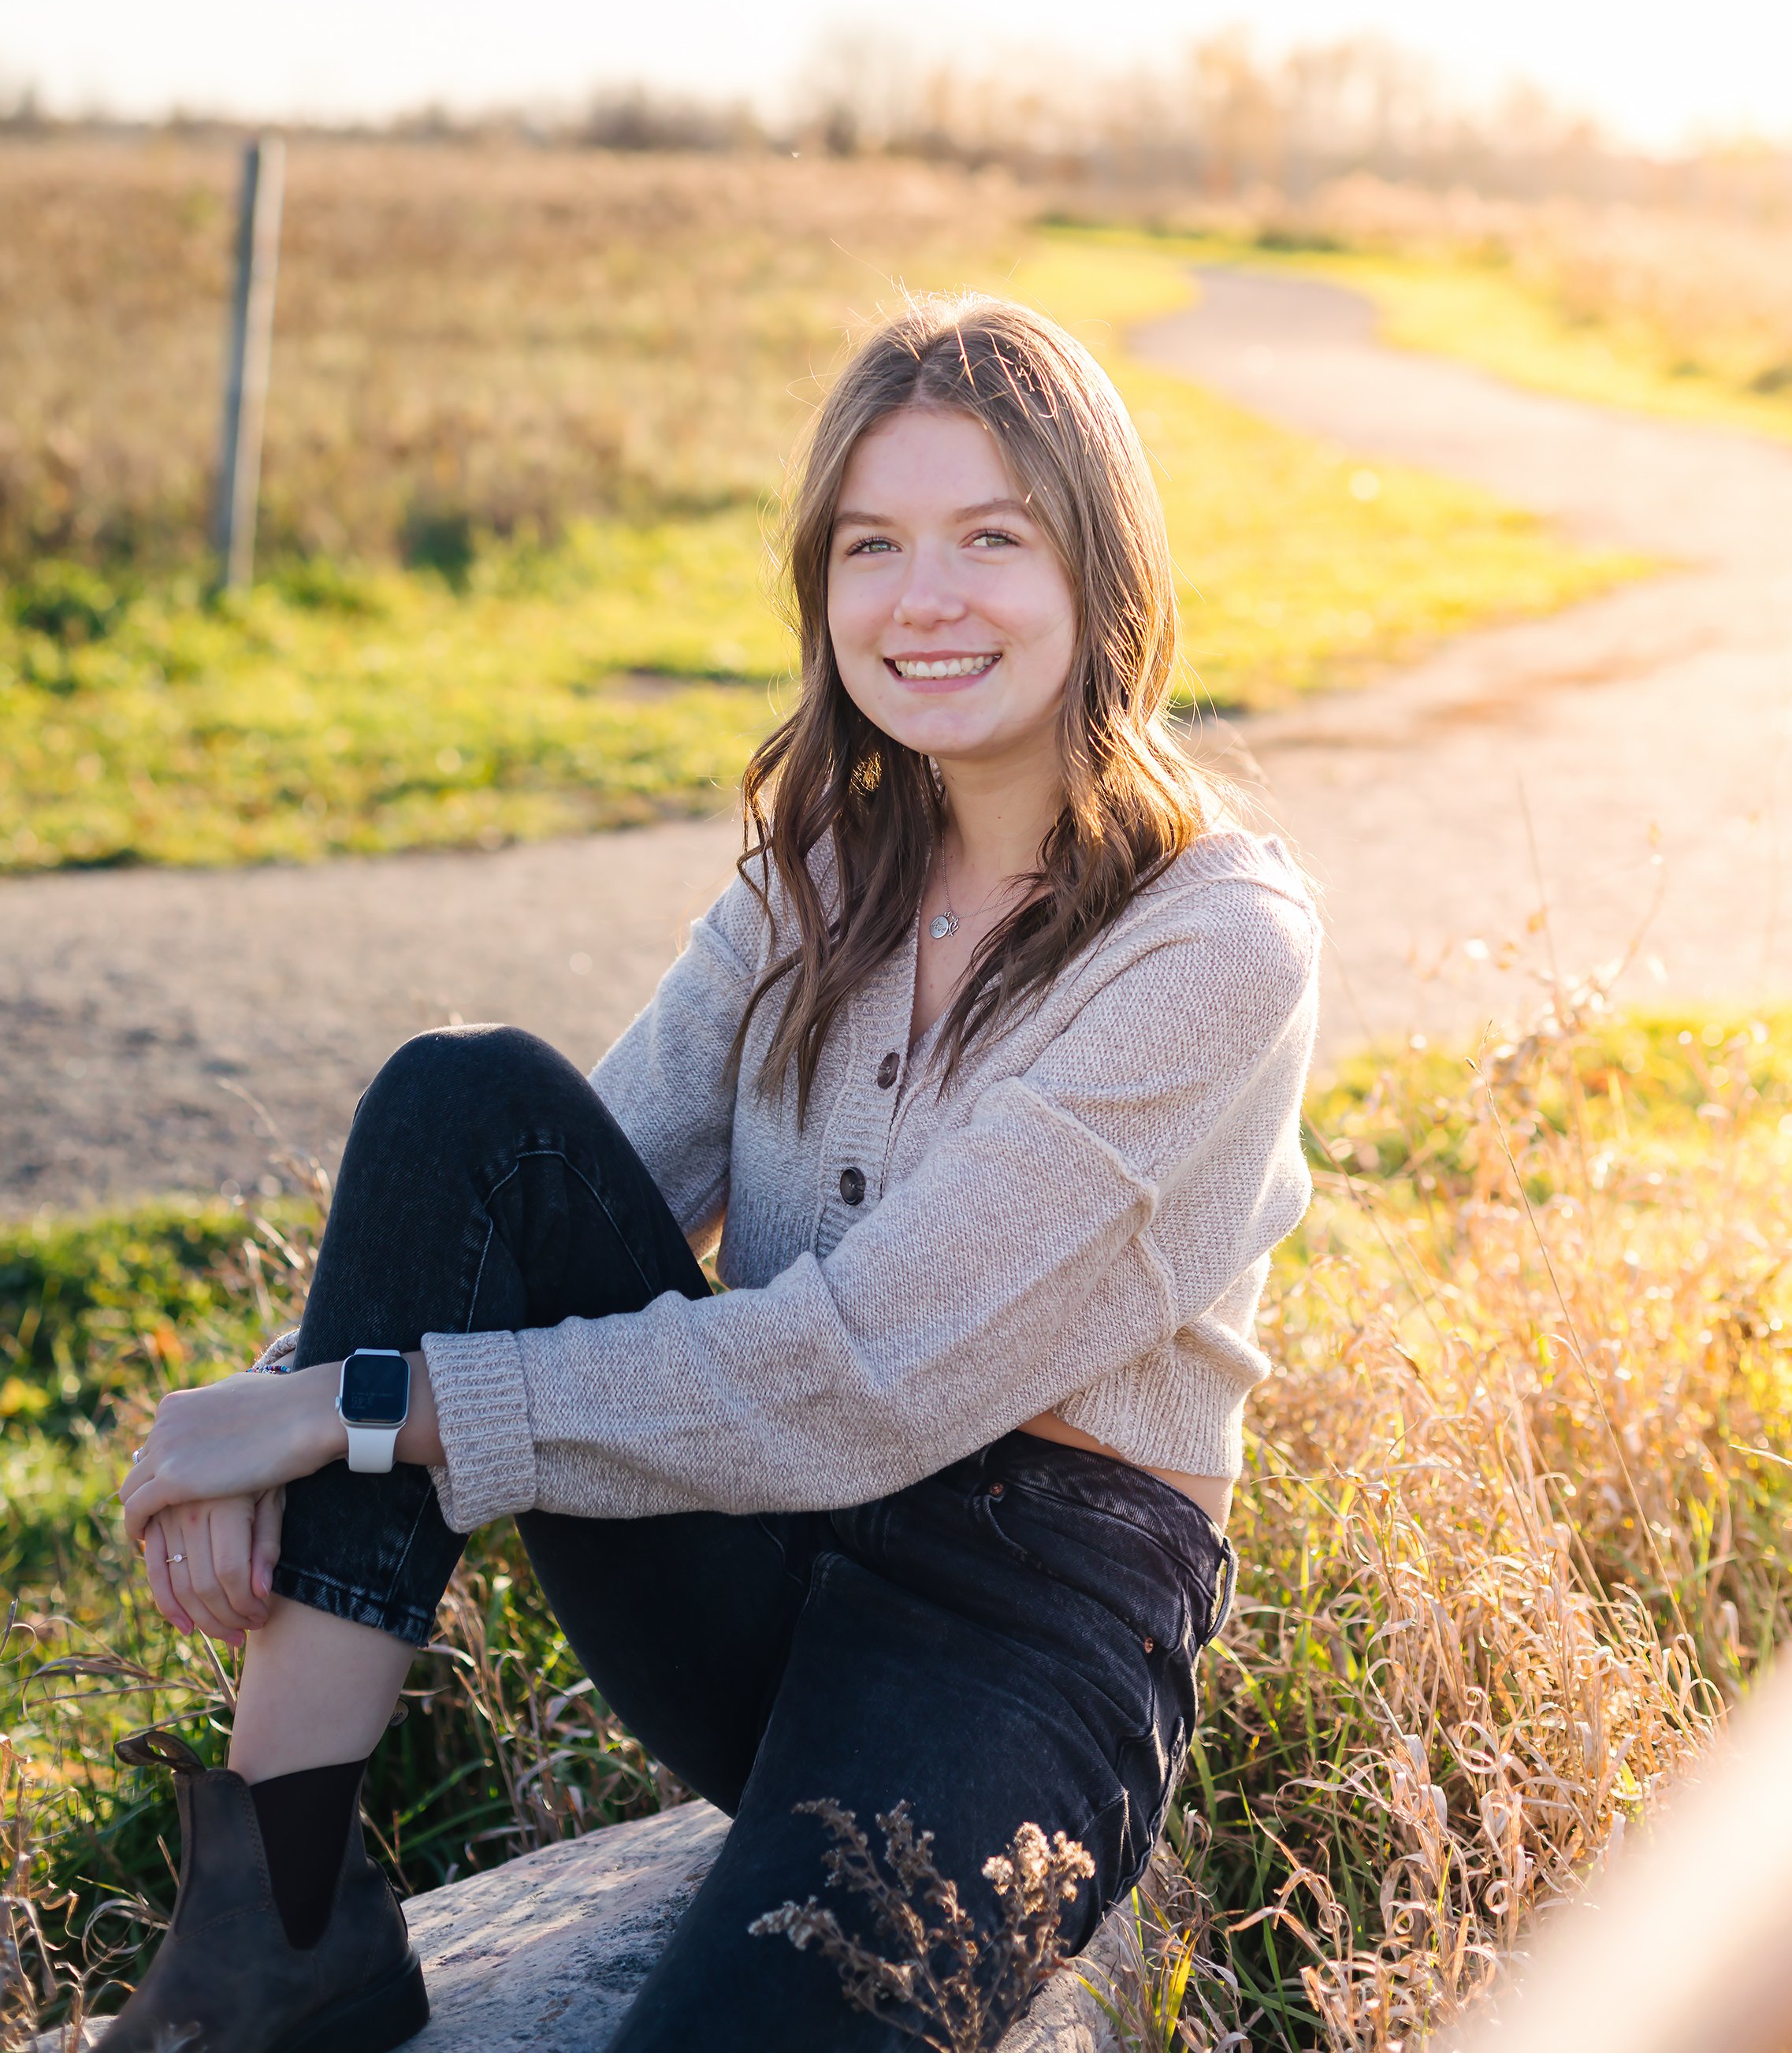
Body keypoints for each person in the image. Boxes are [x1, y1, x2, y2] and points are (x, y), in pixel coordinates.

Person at [112, 295, 1319, 2052]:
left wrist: (342, 1413)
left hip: (1017, 1637)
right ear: (821, 587)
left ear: (1099, 569)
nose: (926, 600)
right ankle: (275, 1914)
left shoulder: (1216, 944)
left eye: (993, 538)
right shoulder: (818, 875)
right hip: (763, 1573)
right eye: (872, 545)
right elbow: (510, 1212)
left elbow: (860, 1379)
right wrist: (287, 1396)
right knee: (468, 1104)